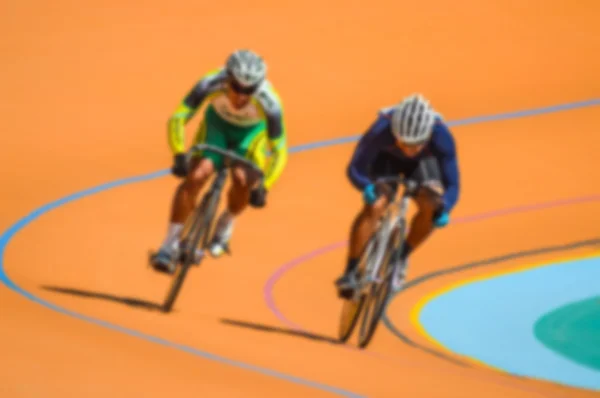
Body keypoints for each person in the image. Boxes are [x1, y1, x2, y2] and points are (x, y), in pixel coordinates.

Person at [150, 49, 288, 273]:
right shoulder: (211, 83)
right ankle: (169, 245)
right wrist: (178, 153)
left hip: (251, 135)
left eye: (249, 90)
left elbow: (280, 150)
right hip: (217, 127)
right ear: (227, 78)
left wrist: (266, 186)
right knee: (196, 176)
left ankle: (226, 223)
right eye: (236, 87)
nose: (241, 96)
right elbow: (178, 117)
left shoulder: (270, 103)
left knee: (243, 179)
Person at [335, 93, 460, 297]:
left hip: (423, 165)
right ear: (394, 132)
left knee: (432, 205)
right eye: (403, 143)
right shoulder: (381, 129)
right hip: (387, 161)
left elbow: (453, 185)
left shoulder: (442, 137)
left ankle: (401, 256)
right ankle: (350, 272)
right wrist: (366, 186)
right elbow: (355, 168)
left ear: (428, 135)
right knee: (376, 205)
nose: (410, 149)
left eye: (417, 144)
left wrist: (444, 207)